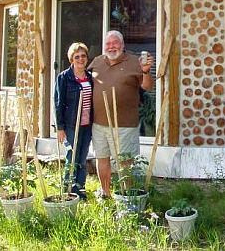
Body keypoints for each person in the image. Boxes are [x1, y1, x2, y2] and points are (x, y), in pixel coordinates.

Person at [88, 30, 154, 198]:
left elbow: (147, 87)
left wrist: (146, 72)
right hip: (99, 123)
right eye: (108, 44)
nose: (111, 47)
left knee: (125, 163)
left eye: (115, 43)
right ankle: (106, 193)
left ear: (122, 45)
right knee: (102, 159)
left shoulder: (134, 62)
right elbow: (83, 79)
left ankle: (127, 196)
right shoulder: (97, 61)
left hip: (124, 125)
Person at [54, 42, 93, 200]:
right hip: (70, 124)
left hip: (87, 124)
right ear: (71, 59)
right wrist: (60, 127)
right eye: (77, 56)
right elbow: (58, 102)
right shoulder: (64, 77)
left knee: (82, 157)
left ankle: (80, 188)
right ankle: (68, 188)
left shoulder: (90, 77)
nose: (80, 59)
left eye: (83, 56)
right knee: (72, 156)